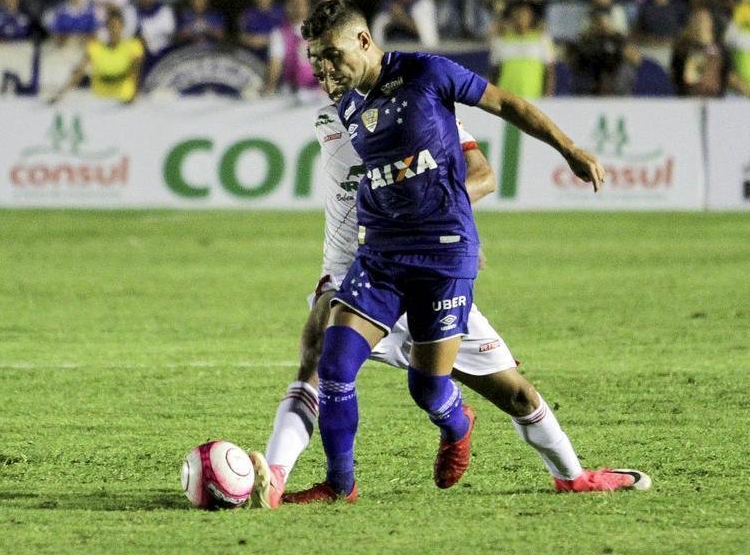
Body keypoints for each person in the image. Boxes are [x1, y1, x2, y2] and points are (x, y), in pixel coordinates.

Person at [248, 49, 650, 509]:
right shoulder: (329, 118)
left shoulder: (420, 107)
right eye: (317, 63)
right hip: (358, 269)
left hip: (430, 265)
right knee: (318, 363)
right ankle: (277, 478)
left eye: (332, 60)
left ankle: (567, 473)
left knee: (512, 395)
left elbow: (483, 175)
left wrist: (441, 216)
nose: (324, 73)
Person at [53, 7, 145, 103]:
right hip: (100, 97)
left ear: (122, 27)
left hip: (124, 97)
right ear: (106, 27)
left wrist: (134, 94)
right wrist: (62, 93)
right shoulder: (96, 48)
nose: (114, 30)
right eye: (111, 26)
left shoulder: (133, 46)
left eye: (117, 26)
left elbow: (135, 72)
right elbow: (79, 71)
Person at [490, 0, 556, 98]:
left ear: (531, 17)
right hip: (506, 96)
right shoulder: (501, 40)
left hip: (534, 96)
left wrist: (548, 96)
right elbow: (494, 72)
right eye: (517, 14)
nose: (520, 18)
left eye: (524, 14)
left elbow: (550, 71)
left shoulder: (542, 39)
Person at [370, 0, 439, 47]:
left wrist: (402, 18)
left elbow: (427, 33)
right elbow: (378, 26)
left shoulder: (423, 3)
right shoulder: (389, 3)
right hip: (391, 46)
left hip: (416, 47)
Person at [671, 8, 729, 97]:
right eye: (699, 20)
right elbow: (689, 77)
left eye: (706, 20)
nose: (702, 24)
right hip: (690, 97)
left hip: (716, 98)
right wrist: (702, 46)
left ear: (711, 23)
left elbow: (726, 73)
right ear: (692, 24)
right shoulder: (683, 48)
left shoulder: (720, 48)